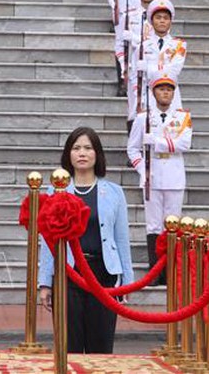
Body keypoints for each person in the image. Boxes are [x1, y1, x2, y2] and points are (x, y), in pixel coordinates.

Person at [38, 127, 134, 354]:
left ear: (97, 154)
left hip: (103, 275)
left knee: (100, 348)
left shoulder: (114, 192)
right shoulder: (57, 191)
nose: (82, 153)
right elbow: (48, 240)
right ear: (68, 154)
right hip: (68, 275)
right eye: (76, 148)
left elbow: (121, 239)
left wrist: (127, 281)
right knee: (68, 347)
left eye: (88, 148)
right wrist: (45, 283)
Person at [127, 72, 192, 281]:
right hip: (151, 176)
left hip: (174, 175)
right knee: (154, 225)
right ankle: (155, 271)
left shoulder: (182, 118)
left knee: (173, 224)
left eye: (169, 89)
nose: (166, 92)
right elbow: (132, 149)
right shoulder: (142, 118)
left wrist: (156, 141)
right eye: (161, 89)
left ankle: (171, 270)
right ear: (153, 92)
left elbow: (184, 144)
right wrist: (142, 170)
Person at [136, 0, 186, 113]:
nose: (162, 21)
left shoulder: (179, 45)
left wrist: (148, 68)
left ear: (170, 21)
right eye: (158, 18)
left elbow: (172, 71)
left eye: (165, 18)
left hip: (169, 93)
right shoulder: (142, 45)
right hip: (148, 92)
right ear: (152, 20)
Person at [126, 0, 160, 129]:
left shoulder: (161, 17)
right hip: (135, 67)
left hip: (154, 68)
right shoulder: (131, 15)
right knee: (134, 109)